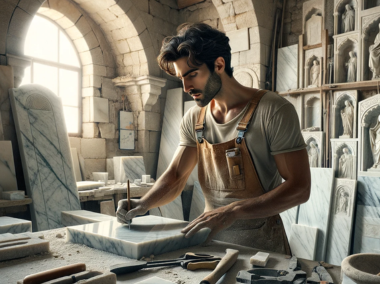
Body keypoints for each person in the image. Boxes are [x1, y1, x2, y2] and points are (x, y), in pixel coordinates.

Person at [116, 23, 311, 254]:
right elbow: (177, 176)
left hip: (262, 248)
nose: (187, 86)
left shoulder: (274, 110)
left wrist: (232, 211)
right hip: (209, 244)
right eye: (181, 78)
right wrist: (143, 204)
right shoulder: (194, 118)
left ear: (219, 64)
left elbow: (300, 188)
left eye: (193, 75)